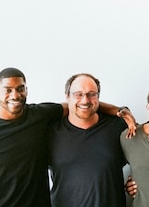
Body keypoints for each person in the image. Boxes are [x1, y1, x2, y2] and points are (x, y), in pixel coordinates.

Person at [0, 68, 132, 207]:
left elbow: (80, 105)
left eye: (20, 89)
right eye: (8, 90)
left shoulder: (40, 116)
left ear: (26, 90)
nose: (15, 95)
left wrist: (120, 110)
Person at [49, 73, 131, 207]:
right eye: (78, 94)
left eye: (91, 94)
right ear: (67, 96)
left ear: (98, 97)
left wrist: (139, 182)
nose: (85, 100)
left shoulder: (118, 126)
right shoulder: (50, 132)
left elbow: (146, 155)